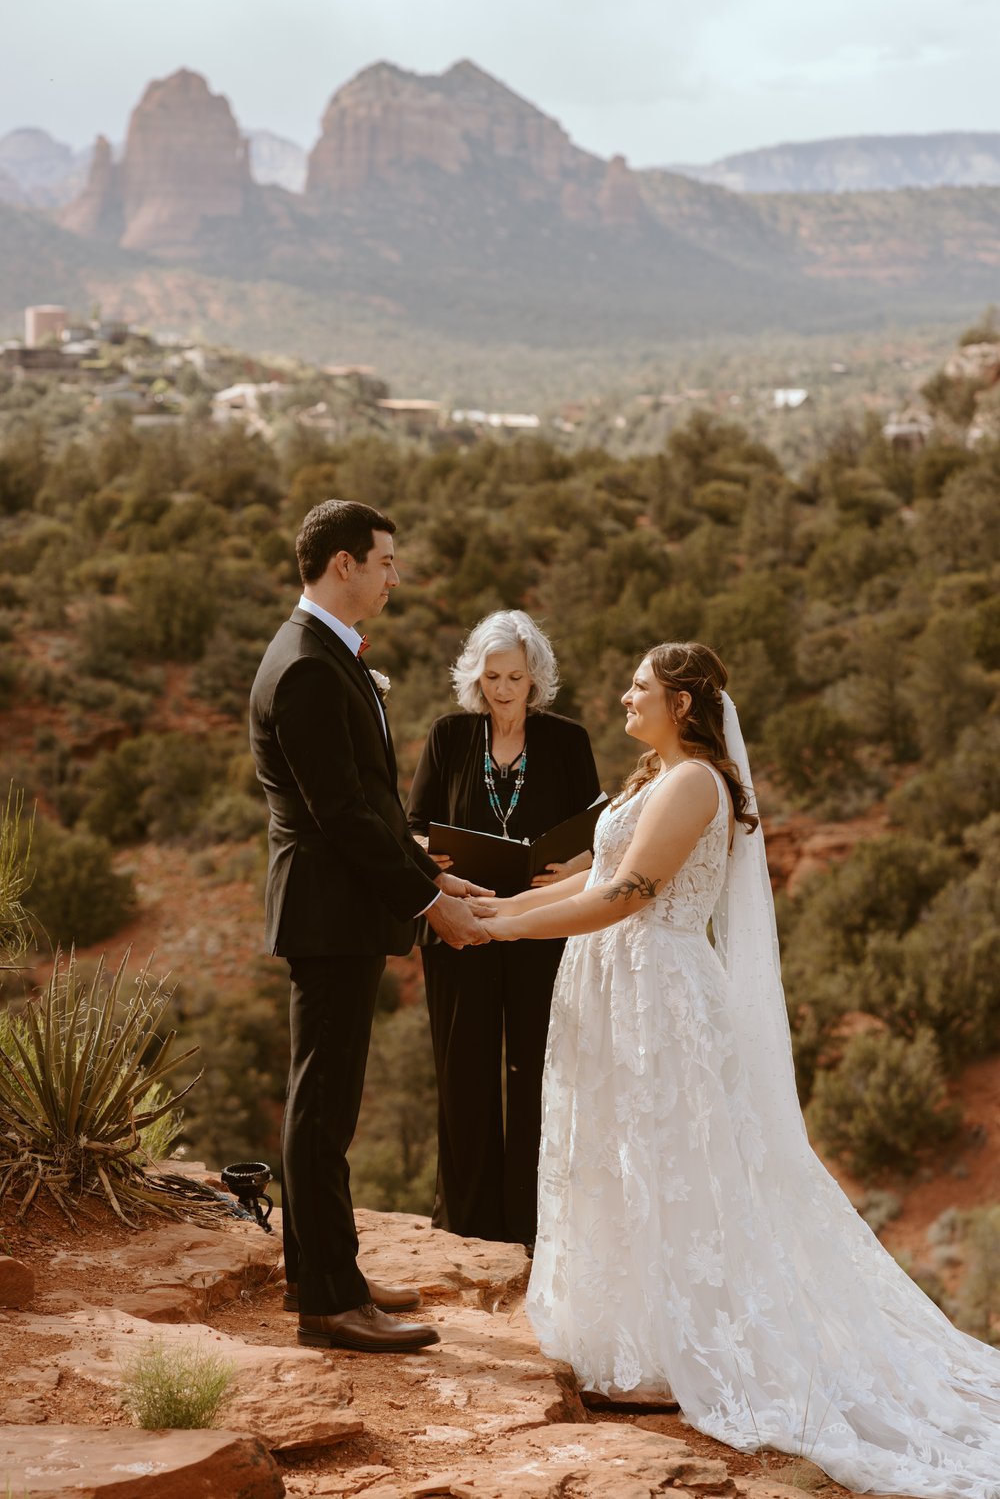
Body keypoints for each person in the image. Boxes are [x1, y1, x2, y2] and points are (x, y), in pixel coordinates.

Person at [480, 642, 1000, 1497]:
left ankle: (687, 1348)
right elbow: (592, 875)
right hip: (615, 984)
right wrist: (492, 906)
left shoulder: (692, 786)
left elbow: (626, 896)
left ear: (681, 704)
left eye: (639, 687)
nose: (623, 696)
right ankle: (635, 1341)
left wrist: (500, 932)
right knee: (616, 1156)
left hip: (660, 997)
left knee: (674, 1164)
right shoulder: (657, 777)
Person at [249, 499, 492, 1354]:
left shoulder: (324, 654)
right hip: (330, 912)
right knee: (323, 1108)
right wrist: (429, 906)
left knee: (327, 1103)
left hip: (341, 908)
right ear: (343, 564)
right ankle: (329, 1301)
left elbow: (370, 803)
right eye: (385, 561)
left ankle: (325, 1274)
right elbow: (342, 816)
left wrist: (429, 870)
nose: (396, 576)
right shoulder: (309, 668)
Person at [406, 610, 600, 1247]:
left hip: (544, 928)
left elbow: (598, 837)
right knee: (462, 1071)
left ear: (536, 676)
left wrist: (577, 862)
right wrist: (424, 857)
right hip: (461, 925)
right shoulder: (447, 736)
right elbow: (413, 827)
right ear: (475, 677)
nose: (504, 688)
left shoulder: (568, 741)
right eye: (492, 676)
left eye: (516, 675)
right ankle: (466, 1225)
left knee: (538, 1069)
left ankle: (535, 1225)